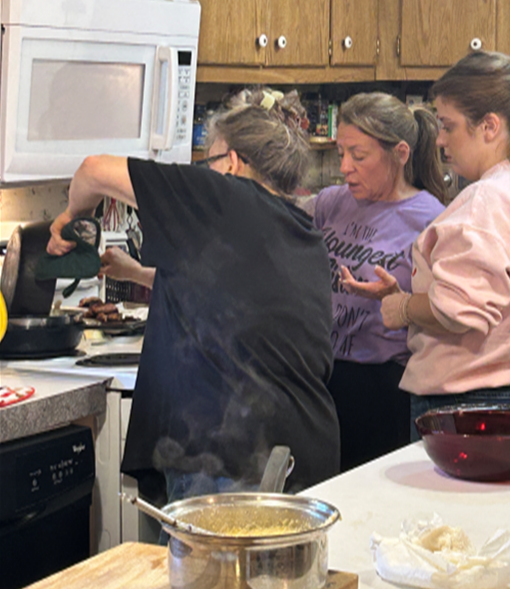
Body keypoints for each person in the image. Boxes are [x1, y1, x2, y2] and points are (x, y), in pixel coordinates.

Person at [47, 89, 340, 506]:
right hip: (301, 450)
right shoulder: (300, 230)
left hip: (233, 461)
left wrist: (68, 217)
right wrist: (135, 272)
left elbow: (93, 171)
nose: (204, 172)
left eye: (209, 161)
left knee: (206, 573)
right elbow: (226, 291)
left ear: (234, 162)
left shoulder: (222, 195)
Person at [346, 52, 510, 426]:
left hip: (477, 409)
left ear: (489, 126)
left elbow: (460, 310)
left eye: (448, 125)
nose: (439, 139)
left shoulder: (490, 197)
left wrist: (403, 308)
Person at [312, 92, 447, 471]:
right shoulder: (329, 204)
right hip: (323, 377)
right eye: (341, 153)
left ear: (400, 153)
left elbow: (448, 312)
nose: (345, 168)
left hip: (384, 387)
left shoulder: (431, 219)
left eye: (358, 156)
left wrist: (399, 300)